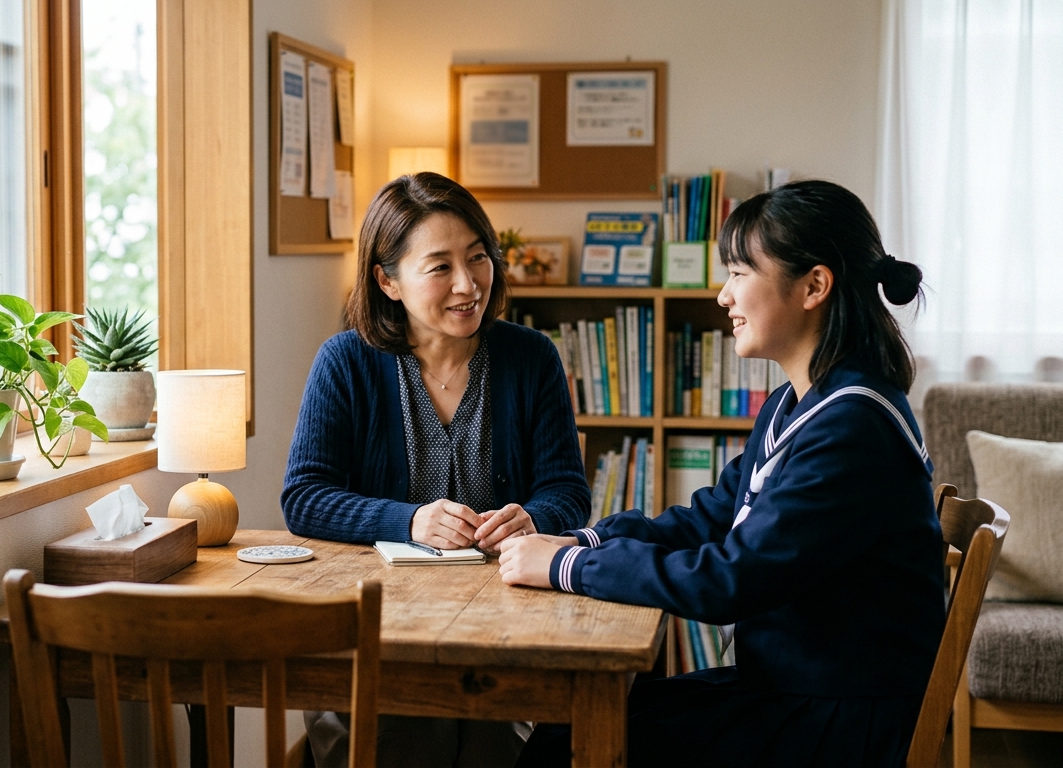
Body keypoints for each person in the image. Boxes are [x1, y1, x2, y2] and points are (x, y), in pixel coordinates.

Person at [500, 180, 946, 767]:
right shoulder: (801, 402)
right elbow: (712, 516)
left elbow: (731, 578)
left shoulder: (853, 427)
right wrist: (584, 541)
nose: (723, 295)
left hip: (840, 721)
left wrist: (566, 568)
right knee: (573, 726)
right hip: (794, 689)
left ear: (814, 286)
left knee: (570, 743)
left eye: (738, 273)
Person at [282, 172, 590, 767]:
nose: (468, 284)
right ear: (387, 281)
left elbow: (567, 492)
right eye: (440, 267)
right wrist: (409, 521)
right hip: (378, 630)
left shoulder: (531, 358)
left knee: (499, 748)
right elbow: (305, 497)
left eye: (478, 257)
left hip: (504, 626)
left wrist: (531, 518)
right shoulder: (346, 361)